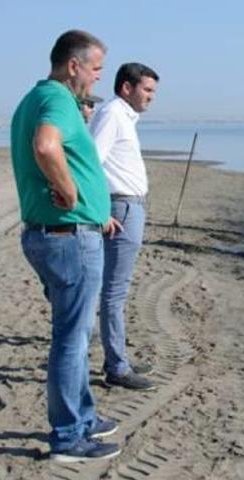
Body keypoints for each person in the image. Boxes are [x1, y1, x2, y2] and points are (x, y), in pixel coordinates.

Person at [10, 29, 122, 462]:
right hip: (67, 238)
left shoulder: (37, 98)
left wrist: (93, 208)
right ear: (73, 66)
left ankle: (84, 417)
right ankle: (68, 436)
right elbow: (46, 146)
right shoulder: (56, 98)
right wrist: (73, 195)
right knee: (72, 339)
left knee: (77, 332)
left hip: (61, 235)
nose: (97, 79)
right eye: (95, 70)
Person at [89, 63, 160, 392]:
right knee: (114, 292)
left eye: (152, 92)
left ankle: (118, 359)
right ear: (126, 88)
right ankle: (116, 366)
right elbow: (91, 163)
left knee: (113, 290)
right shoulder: (113, 114)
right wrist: (101, 211)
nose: (150, 97)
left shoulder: (124, 117)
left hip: (128, 206)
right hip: (120, 207)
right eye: (146, 90)